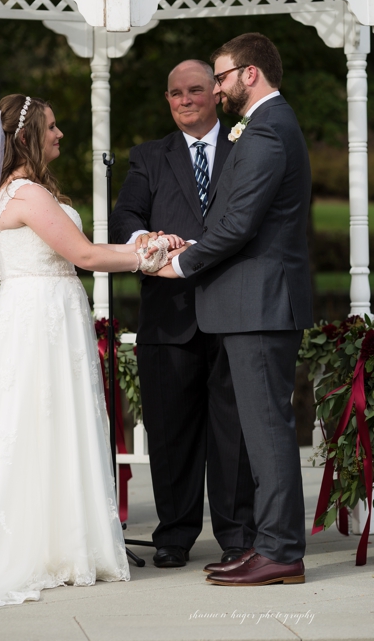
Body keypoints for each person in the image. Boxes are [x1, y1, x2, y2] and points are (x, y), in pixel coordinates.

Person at [0, 94, 170, 612]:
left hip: (38, 312)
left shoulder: (11, 192)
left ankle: (56, 541)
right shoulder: (27, 193)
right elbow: (86, 254)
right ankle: (52, 546)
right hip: (41, 317)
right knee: (41, 421)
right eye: (52, 127)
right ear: (27, 135)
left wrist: (146, 247)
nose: (60, 135)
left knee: (37, 426)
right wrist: (151, 253)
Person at [152, 33, 313, 587]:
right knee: (261, 432)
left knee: (267, 434)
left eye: (220, 77)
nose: (216, 89)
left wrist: (182, 264)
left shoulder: (268, 127)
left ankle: (281, 550)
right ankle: (268, 544)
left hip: (260, 306)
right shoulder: (266, 125)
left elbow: (240, 222)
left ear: (249, 74)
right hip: (251, 306)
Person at [111, 58, 254, 570]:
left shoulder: (246, 148)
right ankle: (174, 534)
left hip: (232, 307)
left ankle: (238, 535)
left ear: (216, 93)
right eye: (176, 93)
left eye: (195, 90)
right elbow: (125, 216)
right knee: (171, 433)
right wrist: (144, 240)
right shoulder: (148, 157)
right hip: (167, 316)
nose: (185, 100)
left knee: (233, 431)